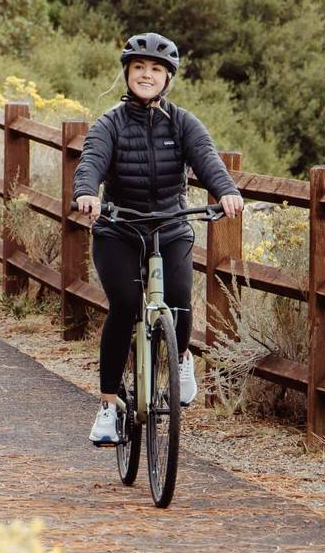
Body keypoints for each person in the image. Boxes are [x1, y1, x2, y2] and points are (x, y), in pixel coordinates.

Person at [72, 32, 244, 446]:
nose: (146, 75)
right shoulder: (110, 123)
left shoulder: (183, 122)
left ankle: (181, 357)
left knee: (182, 299)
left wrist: (227, 190)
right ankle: (109, 406)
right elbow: (92, 159)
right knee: (126, 305)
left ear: (167, 78)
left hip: (170, 225)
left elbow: (206, 158)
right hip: (119, 227)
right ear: (128, 73)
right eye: (139, 68)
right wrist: (86, 192)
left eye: (155, 70)